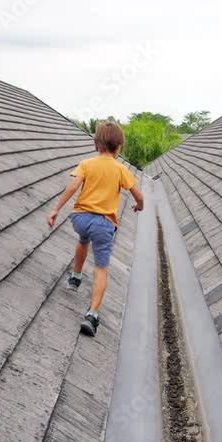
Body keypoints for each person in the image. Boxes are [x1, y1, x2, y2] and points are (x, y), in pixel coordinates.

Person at [47, 121, 144, 336]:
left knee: (83, 240)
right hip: (103, 224)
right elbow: (138, 195)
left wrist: (55, 209)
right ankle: (92, 315)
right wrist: (139, 206)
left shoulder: (86, 163)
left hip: (80, 218)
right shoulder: (121, 169)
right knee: (101, 267)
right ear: (118, 147)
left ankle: (75, 277)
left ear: (96, 143)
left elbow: (72, 186)